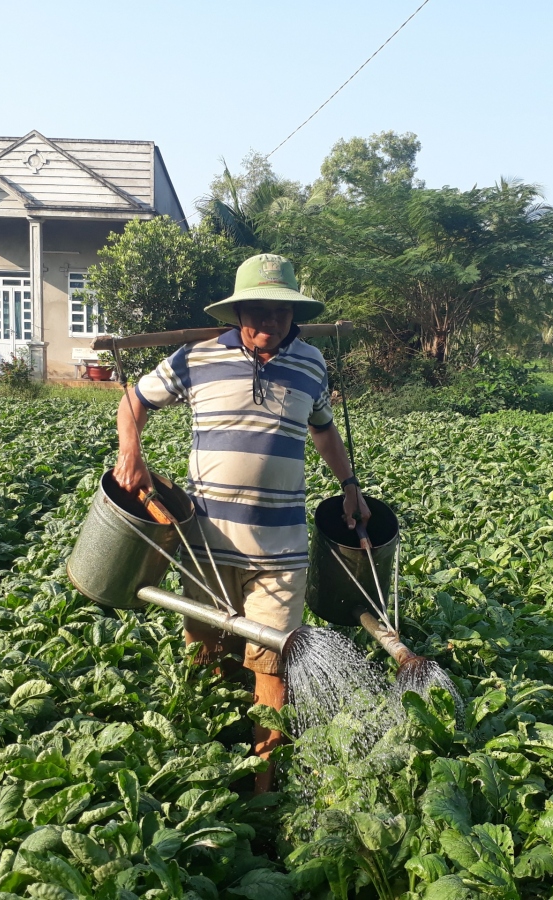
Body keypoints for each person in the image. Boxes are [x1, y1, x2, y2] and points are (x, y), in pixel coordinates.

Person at [112, 253, 369, 793]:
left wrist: (349, 486)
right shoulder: (195, 358)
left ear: (293, 316)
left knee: (272, 664)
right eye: (254, 310)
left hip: (281, 550)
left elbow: (323, 430)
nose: (265, 323)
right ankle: (210, 766)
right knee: (207, 653)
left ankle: (263, 785)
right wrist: (131, 452)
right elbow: (133, 402)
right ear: (235, 312)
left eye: (278, 313)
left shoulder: (311, 364)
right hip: (206, 545)